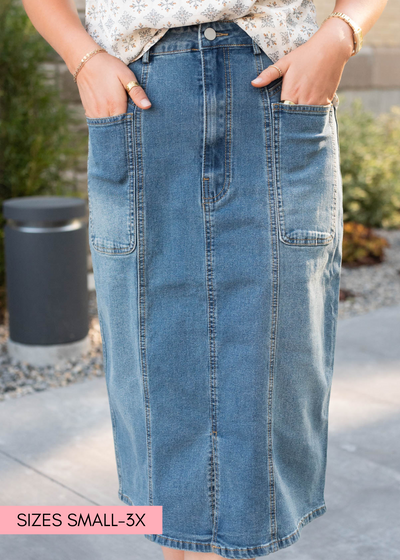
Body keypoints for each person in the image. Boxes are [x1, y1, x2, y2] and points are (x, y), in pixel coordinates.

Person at [22, 1, 387, 559]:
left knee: (271, 371)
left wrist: (341, 35)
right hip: (143, 95)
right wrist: (83, 58)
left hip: (275, 88)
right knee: (158, 372)